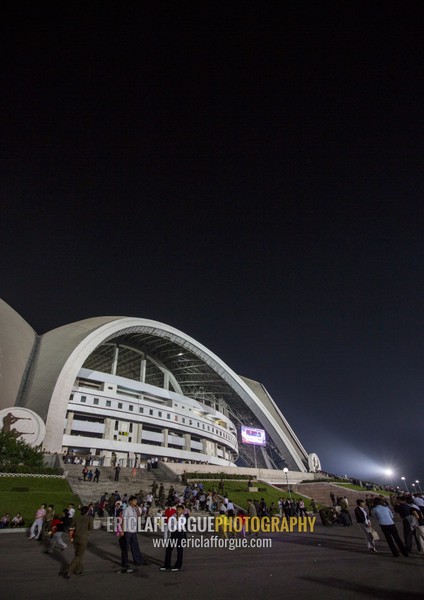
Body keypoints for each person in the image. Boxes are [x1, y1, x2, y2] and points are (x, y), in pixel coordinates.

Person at [63, 506, 93, 578]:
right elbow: (91, 528)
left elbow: (71, 526)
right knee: (79, 556)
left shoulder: (76, 517)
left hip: (76, 538)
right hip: (83, 538)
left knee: (78, 555)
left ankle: (79, 569)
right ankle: (68, 570)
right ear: (87, 511)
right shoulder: (89, 518)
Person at [120, 495, 146, 573]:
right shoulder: (127, 509)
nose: (135, 502)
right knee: (125, 547)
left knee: (135, 547)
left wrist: (137, 507)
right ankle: (125, 563)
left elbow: (139, 515)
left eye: (136, 501)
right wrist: (122, 530)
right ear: (130, 501)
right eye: (134, 501)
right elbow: (123, 520)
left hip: (133, 530)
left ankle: (138, 561)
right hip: (127, 530)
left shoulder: (135, 509)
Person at [160, 504, 186, 571]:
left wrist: (177, 519)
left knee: (179, 550)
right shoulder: (173, 516)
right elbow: (170, 524)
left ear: (183, 511)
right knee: (168, 549)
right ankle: (167, 565)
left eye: (180, 510)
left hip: (180, 534)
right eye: (177, 509)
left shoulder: (183, 517)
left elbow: (180, 525)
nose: (178, 511)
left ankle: (178, 566)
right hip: (173, 533)